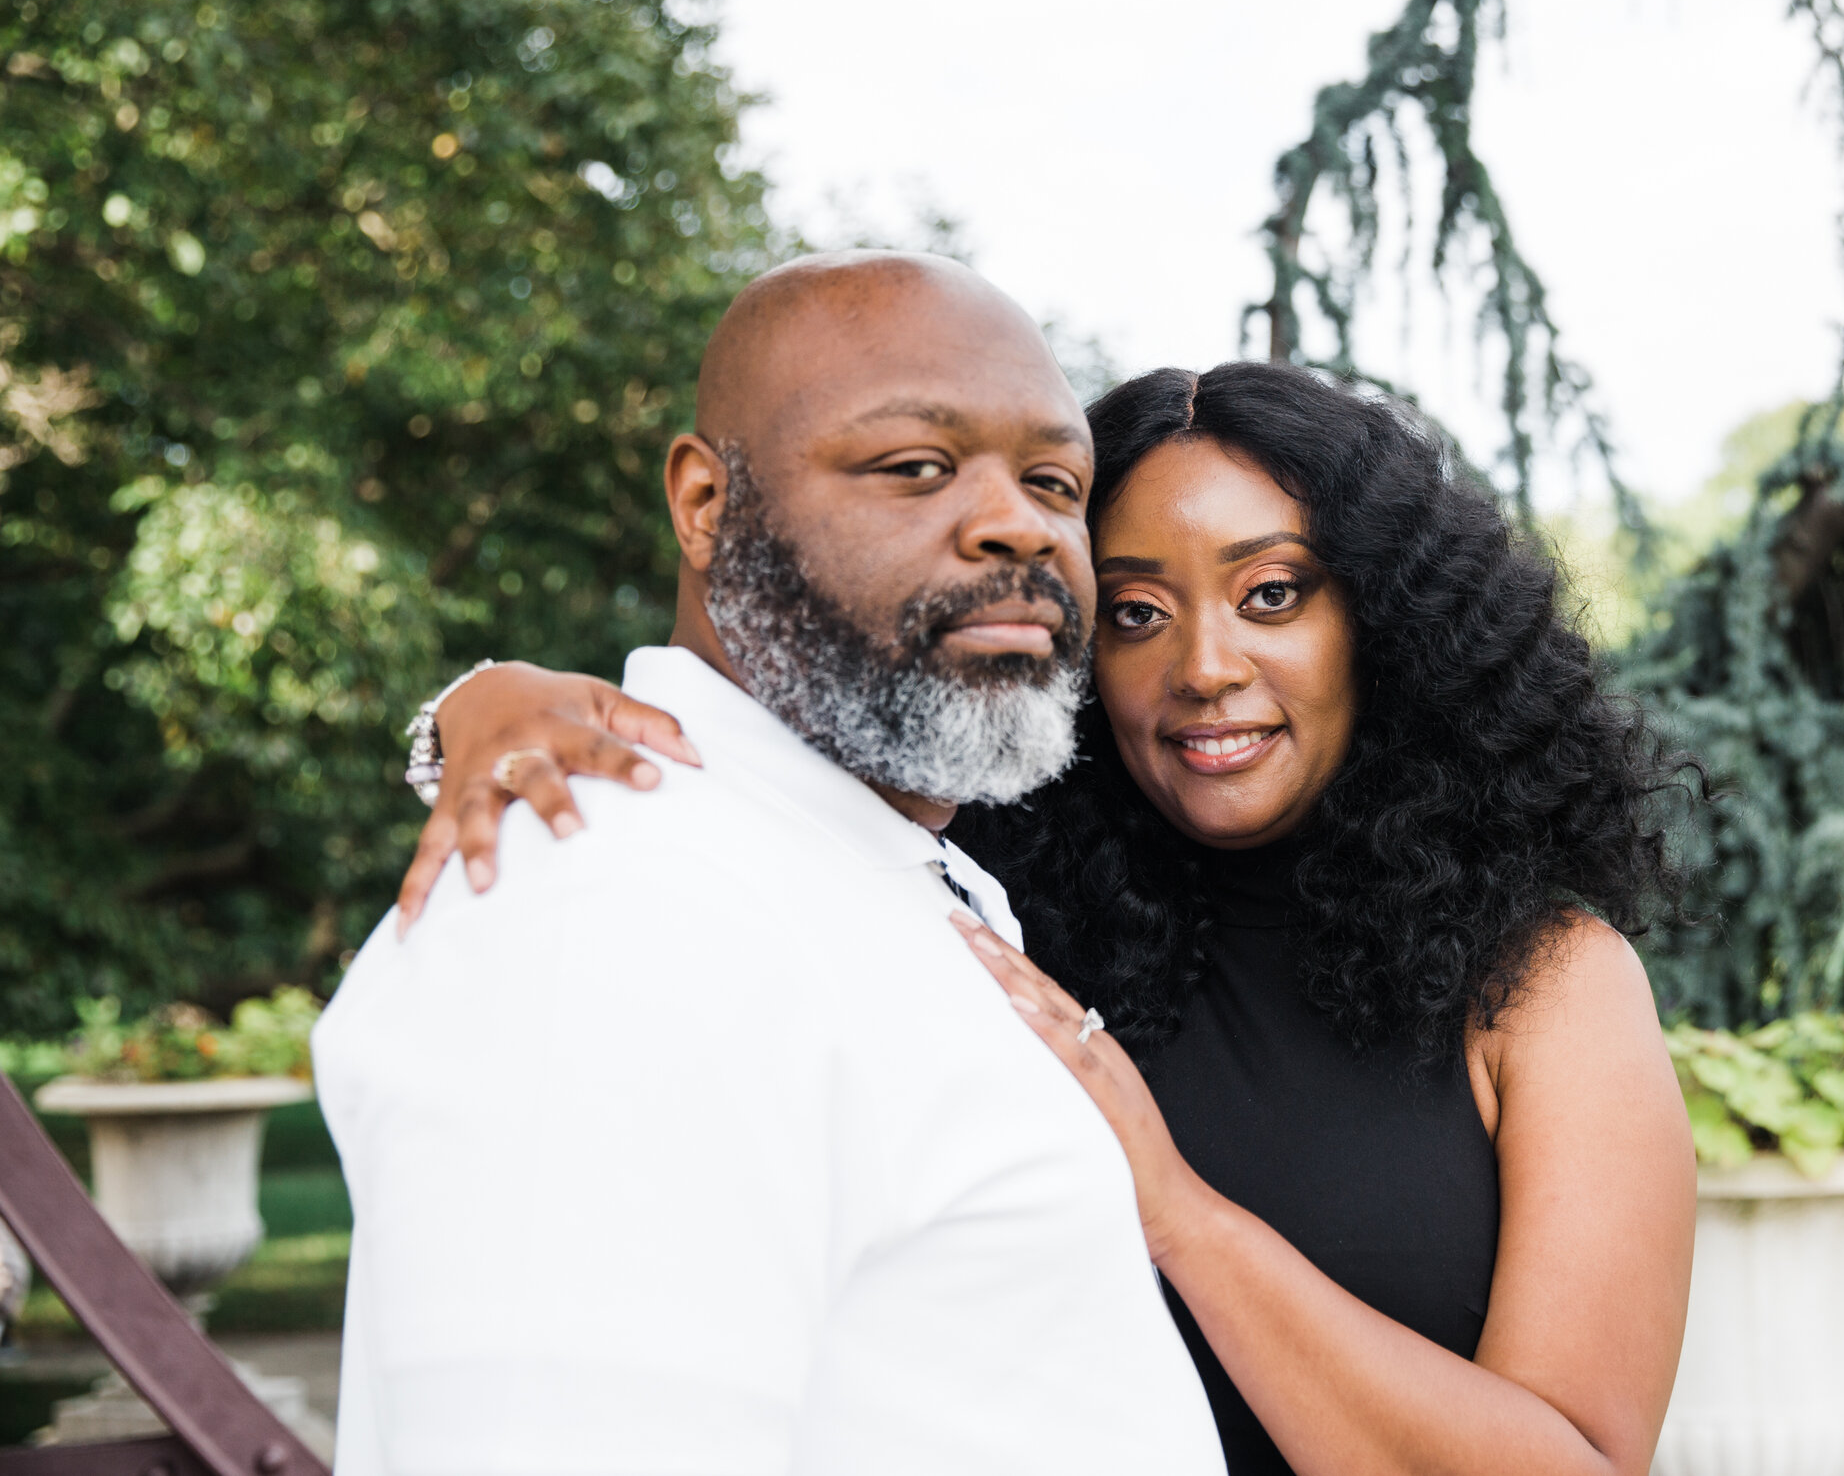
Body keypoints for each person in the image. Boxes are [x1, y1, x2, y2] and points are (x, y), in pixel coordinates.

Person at [404, 360, 1701, 1475]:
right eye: (1136, 609)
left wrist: (1177, 1209)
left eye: (1271, 593)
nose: (1201, 666)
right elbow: (744, 773)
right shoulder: (984, 907)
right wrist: (487, 698)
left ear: (1389, 624)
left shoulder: (1545, 981)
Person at [313, 253, 1224, 1475]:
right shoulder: (622, 905)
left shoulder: (859, 865)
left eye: (1057, 480)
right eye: (914, 465)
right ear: (704, 502)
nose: (1022, 521)